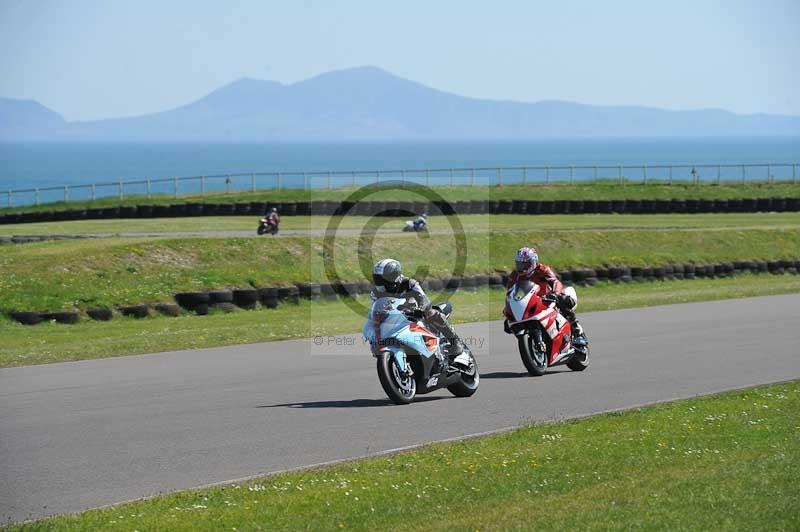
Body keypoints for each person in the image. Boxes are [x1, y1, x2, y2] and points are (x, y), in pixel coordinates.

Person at [371, 258, 464, 357]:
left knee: (431, 313)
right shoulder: (376, 293)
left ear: (392, 276)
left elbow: (423, 299)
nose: (379, 282)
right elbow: (377, 309)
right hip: (397, 320)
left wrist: (421, 310)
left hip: (416, 315)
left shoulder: (409, 283)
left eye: (381, 279)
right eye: (377, 278)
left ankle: (455, 341)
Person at [504, 247, 584, 337]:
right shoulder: (515, 275)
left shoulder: (543, 270)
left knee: (565, 300)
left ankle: (575, 327)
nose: (522, 268)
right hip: (530, 303)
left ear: (533, 262)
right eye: (519, 265)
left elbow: (555, 282)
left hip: (548, 299)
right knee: (512, 325)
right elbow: (510, 293)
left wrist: (556, 294)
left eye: (525, 265)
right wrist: (508, 310)